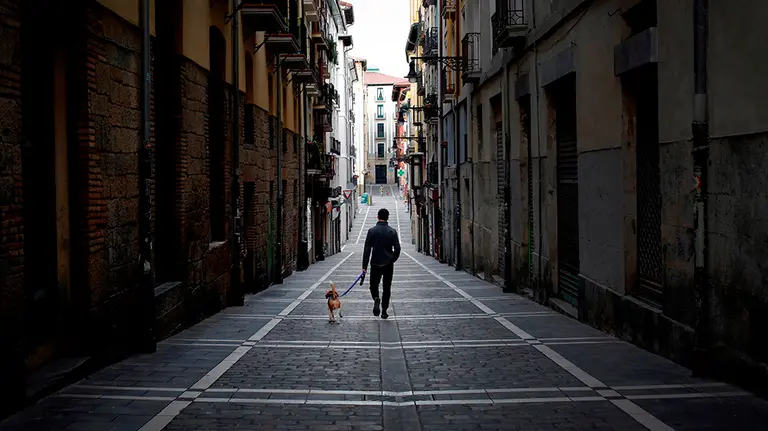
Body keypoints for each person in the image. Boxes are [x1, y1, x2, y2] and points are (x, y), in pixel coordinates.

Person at [362, 208, 401, 319]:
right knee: (387, 287)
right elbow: (397, 248)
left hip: (375, 263)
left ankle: (376, 298)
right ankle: (384, 310)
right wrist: (392, 259)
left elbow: (367, 250)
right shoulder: (392, 231)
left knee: (373, 286)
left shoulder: (372, 231)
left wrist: (364, 267)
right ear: (387, 217)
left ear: (378, 217)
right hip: (388, 264)